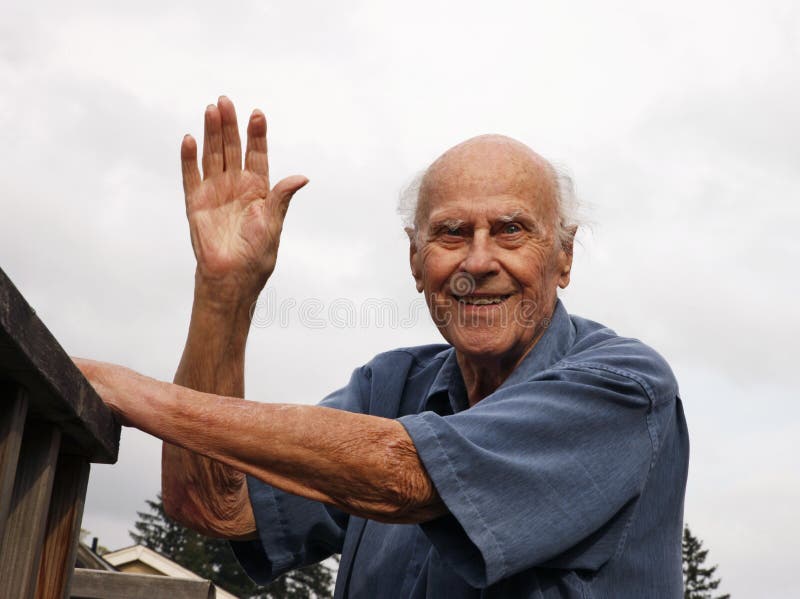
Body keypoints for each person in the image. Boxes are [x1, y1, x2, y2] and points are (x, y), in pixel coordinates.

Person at [76, 96, 689, 598]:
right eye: (451, 233)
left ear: (564, 256)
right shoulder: (389, 386)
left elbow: (405, 476)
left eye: (510, 230)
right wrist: (223, 294)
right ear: (415, 261)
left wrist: (125, 391)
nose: (478, 261)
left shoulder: (626, 385)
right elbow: (209, 503)